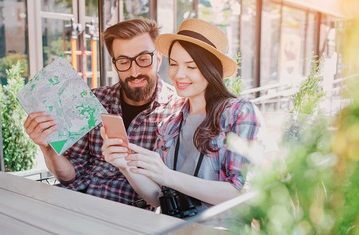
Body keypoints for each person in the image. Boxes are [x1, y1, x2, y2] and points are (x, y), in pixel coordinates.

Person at [101, 19, 268, 224]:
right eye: (174, 64)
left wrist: (167, 175)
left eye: (191, 66)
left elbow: (240, 192)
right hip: (172, 234)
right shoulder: (171, 120)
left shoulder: (239, 112)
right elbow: (157, 197)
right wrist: (124, 165)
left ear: (210, 69)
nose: (178, 75)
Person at [24, 18, 183, 209]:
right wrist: (48, 148)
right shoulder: (94, 99)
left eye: (143, 59)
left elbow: (165, 194)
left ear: (158, 59)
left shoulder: (176, 111)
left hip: (129, 217)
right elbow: (69, 176)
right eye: (123, 61)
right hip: (74, 205)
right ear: (115, 64)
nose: (134, 72)